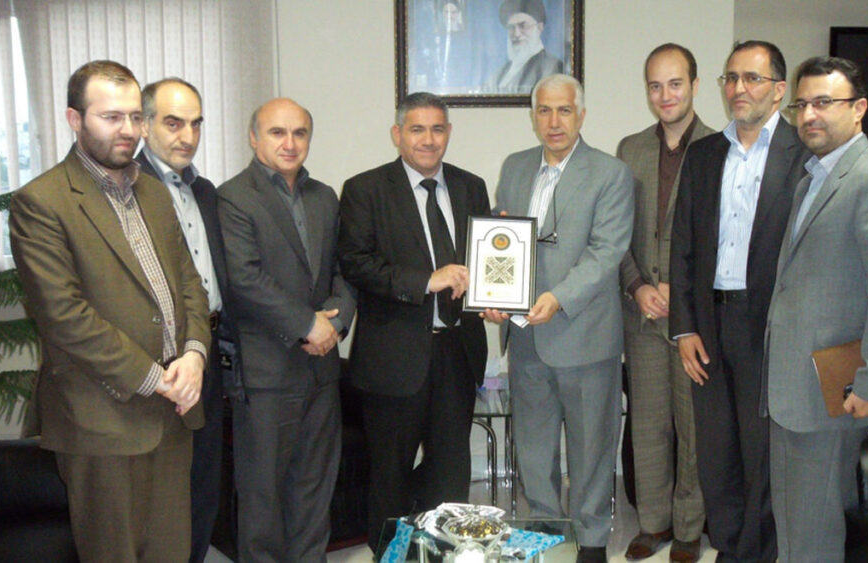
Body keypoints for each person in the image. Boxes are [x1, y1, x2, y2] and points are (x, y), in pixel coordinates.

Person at [9, 60, 209, 562]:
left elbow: (189, 283)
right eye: (111, 117)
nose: (128, 130)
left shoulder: (154, 192)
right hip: (100, 418)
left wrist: (194, 354)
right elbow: (65, 317)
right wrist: (157, 378)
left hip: (174, 412)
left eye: (135, 117)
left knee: (171, 553)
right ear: (75, 120)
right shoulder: (41, 202)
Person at [767, 56, 868, 561]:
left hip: (834, 393)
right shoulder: (812, 177)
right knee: (796, 523)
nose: (809, 114)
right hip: (794, 388)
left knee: (815, 531)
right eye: (802, 104)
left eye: (823, 102)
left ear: (859, 109)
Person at [669, 40, 811, 562]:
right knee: (717, 453)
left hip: (770, 325)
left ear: (779, 90)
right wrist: (684, 328)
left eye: (752, 78)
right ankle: (730, 550)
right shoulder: (704, 154)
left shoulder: (804, 156)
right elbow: (683, 246)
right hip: (709, 324)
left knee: (764, 453)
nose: (738, 88)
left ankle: (761, 553)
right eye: (731, 78)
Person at [483, 73, 634, 563]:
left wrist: (558, 297)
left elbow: (606, 252)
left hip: (585, 333)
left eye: (564, 110)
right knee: (533, 445)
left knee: (592, 448)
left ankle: (591, 540)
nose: (554, 121)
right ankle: (545, 529)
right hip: (526, 336)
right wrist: (493, 293)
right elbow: (501, 240)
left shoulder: (610, 173)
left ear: (581, 115)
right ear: (534, 117)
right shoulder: (515, 166)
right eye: (544, 111)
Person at [338, 92, 490, 552]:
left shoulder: (471, 186)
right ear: (397, 134)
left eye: (437, 129)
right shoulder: (364, 189)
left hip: (457, 353)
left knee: (451, 473)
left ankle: (445, 553)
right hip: (393, 357)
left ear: (449, 133)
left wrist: (495, 289)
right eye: (417, 129)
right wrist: (426, 280)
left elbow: (482, 262)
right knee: (390, 475)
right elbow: (356, 263)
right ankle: (391, 554)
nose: (428, 139)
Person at [217, 98, 355, 562]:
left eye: (299, 133)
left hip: (322, 369)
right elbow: (245, 279)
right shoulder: (233, 197)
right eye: (277, 132)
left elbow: (342, 271)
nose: (290, 143)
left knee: (315, 488)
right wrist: (306, 325)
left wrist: (336, 323)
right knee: (263, 496)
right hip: (267, 372)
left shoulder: (325, 196)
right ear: (254, 137)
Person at [616, 43, 714, 563]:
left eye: (675, 84)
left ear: (694, 86)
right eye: (655, 85)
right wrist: (637, 285)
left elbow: (726, 236)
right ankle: (652, 524)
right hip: (641, 313)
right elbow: (615, 233)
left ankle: (689, 528)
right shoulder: (629, 149)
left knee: (692, 427)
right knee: (648, 425)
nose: (665, 95)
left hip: (694, 319)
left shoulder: (721, 148)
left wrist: (684, 287)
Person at [137, 77, 230, 563]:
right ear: (144, 124)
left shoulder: (204, 190)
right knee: (159, 499)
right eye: (174, 123)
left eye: (196, 124)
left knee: (202, 487)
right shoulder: (125, 189)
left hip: (208, 352)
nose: (187, 136)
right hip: (157, 366)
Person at [487, 0, 563, 93]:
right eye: (511, 27)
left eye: (523, 26)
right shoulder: (501, 73)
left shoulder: (551, 66)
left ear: (539, 28)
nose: (517, 34)